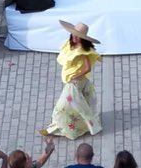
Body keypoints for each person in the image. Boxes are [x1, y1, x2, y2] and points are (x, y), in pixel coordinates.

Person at [38, 22, 101, 156]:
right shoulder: (70, 45)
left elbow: (87, 68)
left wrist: (76, 76)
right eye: (74, 34)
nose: (75, 37)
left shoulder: (83, 51)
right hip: (74, 82)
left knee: (62, 108)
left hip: (75, 84)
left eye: (78, 36)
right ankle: (78, 127)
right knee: (78, 107)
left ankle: (56, 128)